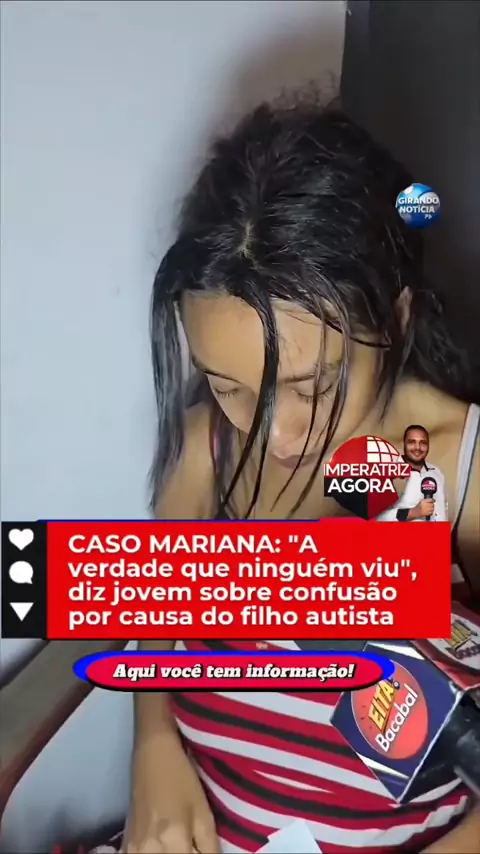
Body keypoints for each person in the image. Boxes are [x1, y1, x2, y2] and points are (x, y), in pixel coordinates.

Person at [98, 100, 480, 853]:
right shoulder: (209, 449)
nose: (273, 436)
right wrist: (154, 749)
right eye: (229, 386)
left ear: (398, 320)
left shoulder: (461, 473)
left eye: (314, 387)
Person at [378, 425, 449, 523]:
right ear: (404, 444)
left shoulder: (436, 472)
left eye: (423, 443)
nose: (418, 447)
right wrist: (414, 512)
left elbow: (444, 510)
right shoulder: (388, 473)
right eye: (412, 442)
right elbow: (378, 518)